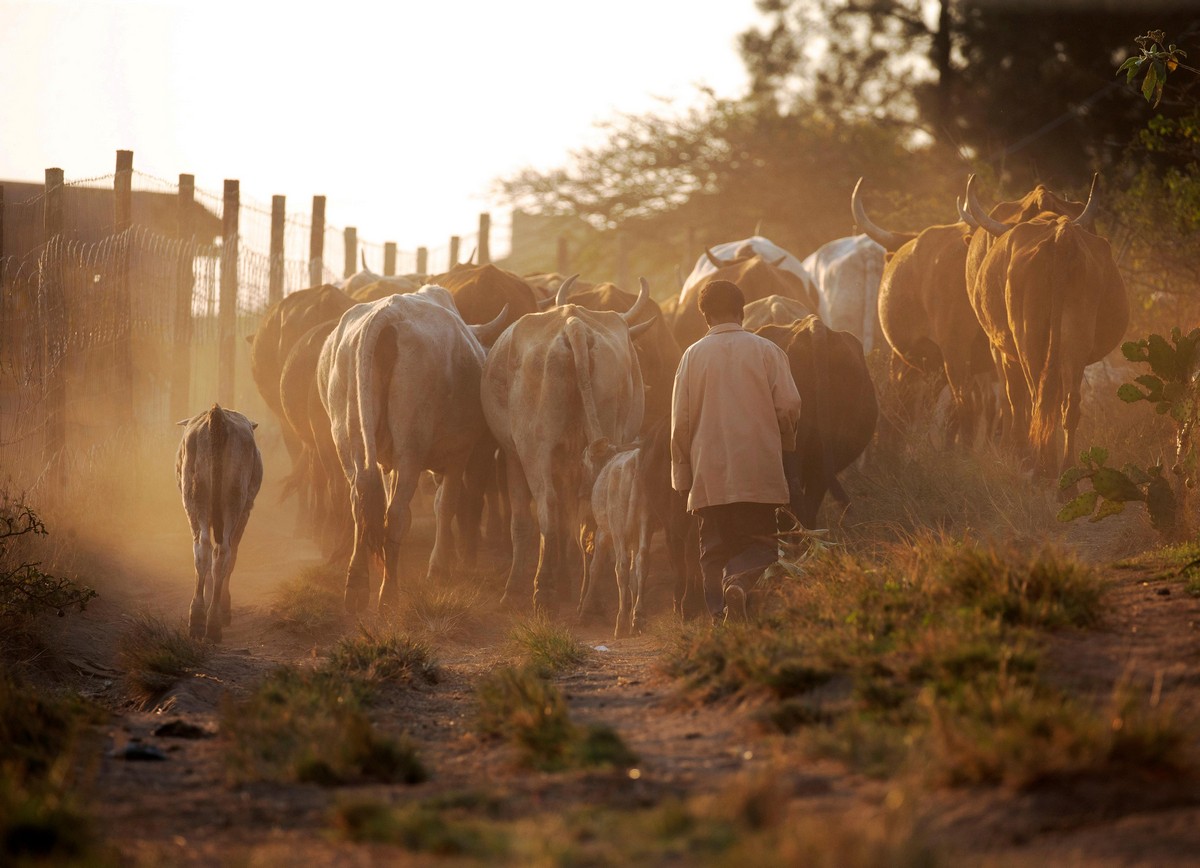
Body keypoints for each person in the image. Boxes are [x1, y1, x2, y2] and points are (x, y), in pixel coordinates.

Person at [670, 279, 802, 622]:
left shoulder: (691, 356)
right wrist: (783, 447)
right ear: (742, 311)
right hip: (758, 471)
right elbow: (788, 406)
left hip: (708, 475)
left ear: (704, 315)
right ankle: (741, 583)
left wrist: (683, 475)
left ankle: (719, 616)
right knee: (760, 543)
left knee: (713, 550)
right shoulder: (768, 351)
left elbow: (680, 425)